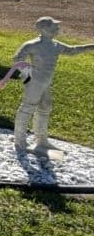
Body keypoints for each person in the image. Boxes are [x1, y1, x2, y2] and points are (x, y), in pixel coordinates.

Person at [13, 17, 94, 152]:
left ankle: (42, 141)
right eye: (54, 27)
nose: (58, 29)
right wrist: (28, 76)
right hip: (35, 81)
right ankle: (20, 141)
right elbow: (17, 59)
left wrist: (91, 46)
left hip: (46, 82)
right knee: (27, 108)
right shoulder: (32, 45)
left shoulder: (55, 45)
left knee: (45, 108)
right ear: (44, 28)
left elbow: (72, 50)